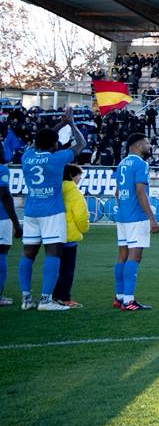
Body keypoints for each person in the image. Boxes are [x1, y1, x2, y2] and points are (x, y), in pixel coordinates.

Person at [18, 112, 86, 311]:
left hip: (31, 212)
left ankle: (25, 299)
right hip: (52, 212)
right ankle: (46, 300)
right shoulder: (56, 159)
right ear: (54, 144)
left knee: (28, 253)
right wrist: (71, 125)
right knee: (53, 253)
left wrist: (58, 126)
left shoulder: (27, 156)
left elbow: (40, 141)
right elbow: (81, 144)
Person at [113, 134, 159, 311]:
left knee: (122, 256)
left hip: (123, 217)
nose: (149, 146)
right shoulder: (141, 164)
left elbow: (117, 193)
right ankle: (129, 300)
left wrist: (124, 209)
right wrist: (152, 219)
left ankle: (119, 297)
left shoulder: (122, 163)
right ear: (139, 145)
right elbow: (141, 192)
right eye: (147, 143)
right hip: (136, 217)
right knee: (135, 256)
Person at [55, 164, 89, 308]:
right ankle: (64, 298)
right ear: (71, 176)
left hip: (53, 234)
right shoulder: (75, 193)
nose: (80, 178)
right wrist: (83, 229)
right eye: (78, 175)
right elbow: (81, 217)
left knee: (54, 268)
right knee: (67, 270)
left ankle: (51, 296)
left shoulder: (55, 190)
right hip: (69, 235)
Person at [0, 179, 19, 307]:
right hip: (2, 219)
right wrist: (17, 224)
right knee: (2, 252)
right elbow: (6, 196)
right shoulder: (2, 170)